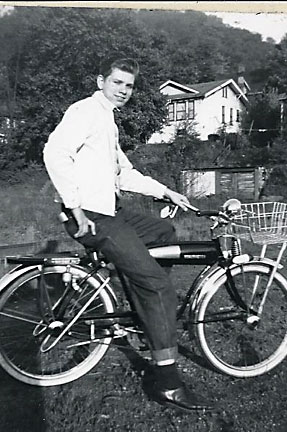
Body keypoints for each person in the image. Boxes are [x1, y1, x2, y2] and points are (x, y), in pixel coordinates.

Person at [43, 57, 212, 411]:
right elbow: (54, 153)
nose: (123, 90)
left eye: (129, 86)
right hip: (91, 216)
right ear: (101, 80)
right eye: (117, 82)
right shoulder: (85, 111)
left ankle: (147, 312)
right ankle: (165, 380)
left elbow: (124, 174)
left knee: (163, 230)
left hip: (109, 212)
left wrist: (166, 192)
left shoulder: (107, 119)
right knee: (157, 284)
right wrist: (74, 207)